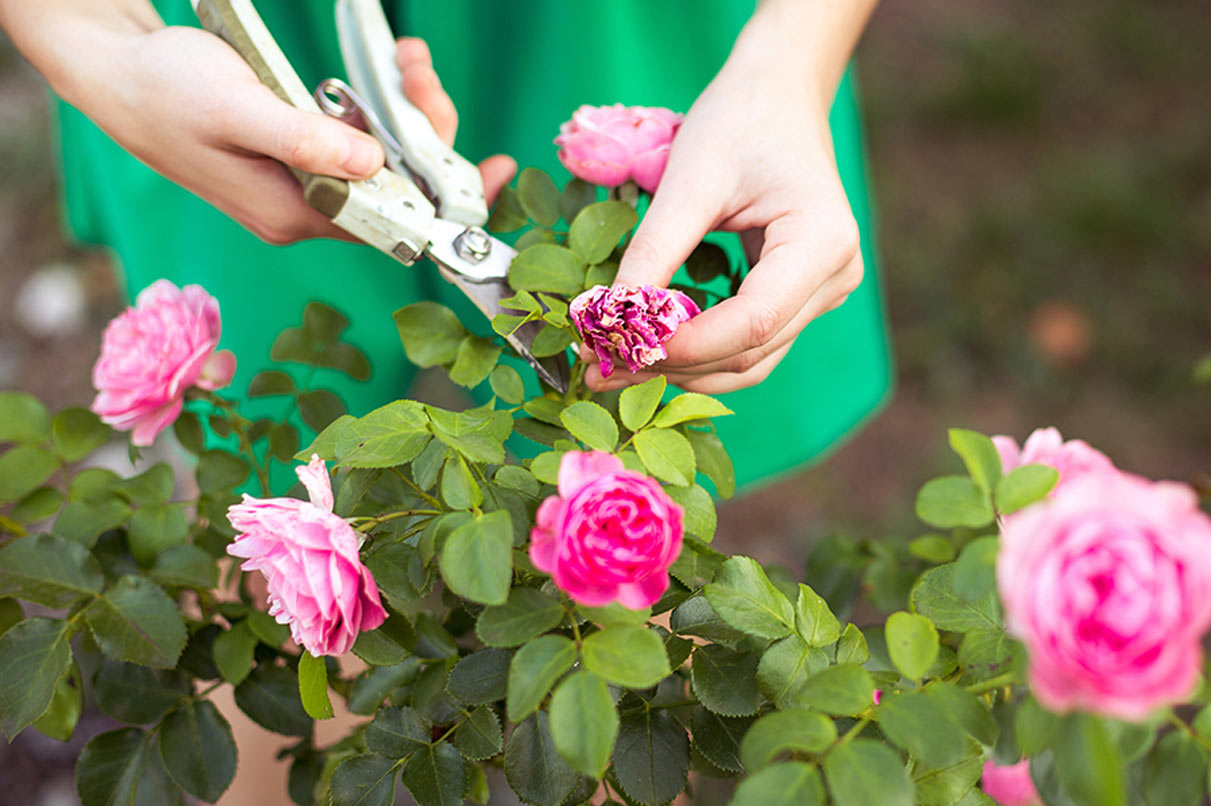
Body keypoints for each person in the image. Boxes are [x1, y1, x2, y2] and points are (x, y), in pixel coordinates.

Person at [0, 0, 890, 493]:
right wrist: (92, 37)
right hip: (252, 38)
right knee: (270, 518)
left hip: (612, 21)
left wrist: (788, 61)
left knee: (635, 525)